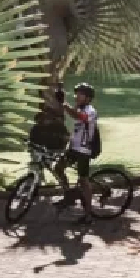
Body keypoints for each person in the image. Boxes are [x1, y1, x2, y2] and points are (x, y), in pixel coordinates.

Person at [52, 82, 99, 217]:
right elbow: (74, 115)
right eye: (77, 94)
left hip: (84, 151)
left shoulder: (90, 111)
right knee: (58, 168)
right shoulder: (79, 109)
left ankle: (88, 215)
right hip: (74, 149)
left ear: (88, 98)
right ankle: (68, 197)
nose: (77, 96)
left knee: (84, 181)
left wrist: (64, 103)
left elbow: (79, 117)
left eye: (81, 95)